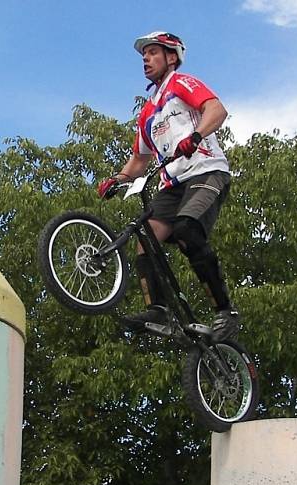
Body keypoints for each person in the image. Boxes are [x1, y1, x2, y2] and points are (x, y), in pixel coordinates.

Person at [97, 31, 240, 342]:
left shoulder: (181, 83)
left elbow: (217, 110)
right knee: (145, 236)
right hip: (173, 184)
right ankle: (158, 310)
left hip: (205, 171)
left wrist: (197, 136)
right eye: (143, 55)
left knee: (187, 227)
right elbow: (139, 160)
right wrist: (118, 179)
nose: (146, 59)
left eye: (152, 53)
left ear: (171, 56)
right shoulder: (148, 112)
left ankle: (224, 311)